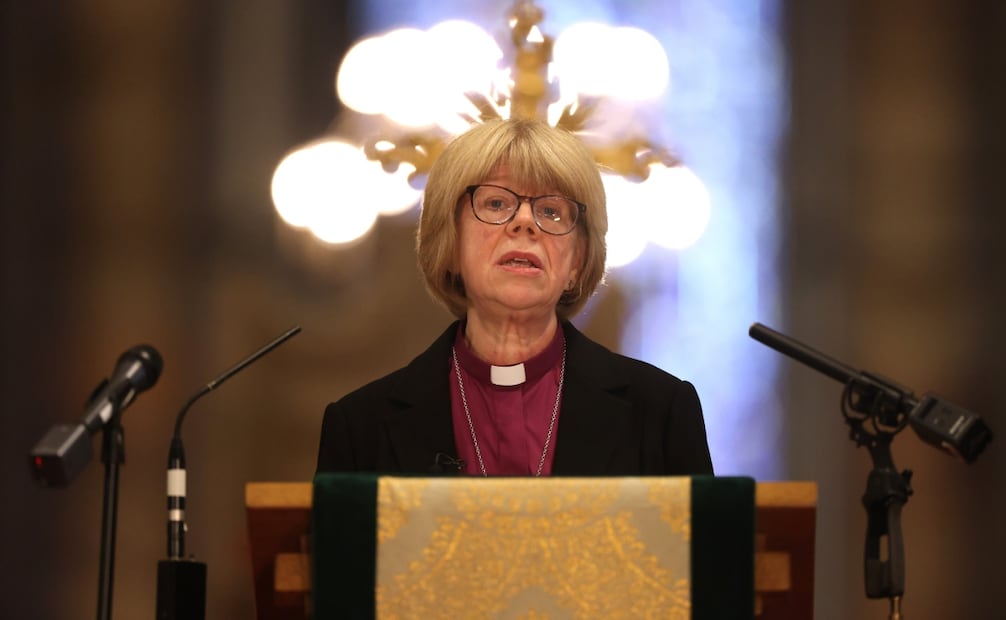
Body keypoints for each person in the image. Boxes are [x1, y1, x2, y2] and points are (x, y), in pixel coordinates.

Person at [316, 117, 713, 476]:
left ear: (578, 260)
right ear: (450, 245)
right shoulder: (361, 426)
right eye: (495, 203)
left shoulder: (660, 412)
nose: (525, 223)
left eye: (552, 212)